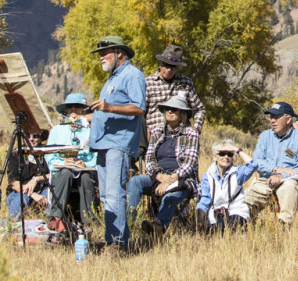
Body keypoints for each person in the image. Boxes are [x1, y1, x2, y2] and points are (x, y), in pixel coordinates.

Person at [88, 36, 146, 249]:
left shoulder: (132, 75)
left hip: (118, 145)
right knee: (105, 196)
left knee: (114, 195)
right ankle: (115, 240)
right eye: (100, 55)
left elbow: (139, 108)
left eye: (105, 53)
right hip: (103, 144)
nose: (101, 58)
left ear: (119, 53)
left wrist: (108, 108)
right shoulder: (113, 78)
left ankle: (118, 244)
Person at [127, 93, 199, 238]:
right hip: (159, 177)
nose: (169, 112)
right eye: (167, 109)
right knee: (136, 181)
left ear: (182, 114)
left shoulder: (191, 134)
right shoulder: (157, 132)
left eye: (174, 109)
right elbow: (149, 159)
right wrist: (159, 176)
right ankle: (127, 223)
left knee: (169, 197)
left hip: (182, 180)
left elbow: (189, 164)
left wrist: (171, 179)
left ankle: (158, 226)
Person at [244, 102, 298, 225]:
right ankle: (243, 225)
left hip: (289, 181)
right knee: (244, 202)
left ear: (288, 119)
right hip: (265, 180)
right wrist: (275, 169)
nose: (272, 121)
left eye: (276, 117)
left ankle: (284, 226)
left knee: (289, 186)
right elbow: (257, 161)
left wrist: (282, 176)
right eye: (271, 117)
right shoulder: (265, 136)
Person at [46, 92, 97, 231]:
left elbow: (97, 156)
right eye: (70, 107)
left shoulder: (91, 131)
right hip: (63, 169)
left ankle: (89, 221)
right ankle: (57, 218)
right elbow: (49, 155)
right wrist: (63, 162)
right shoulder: (56, 130)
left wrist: (86, 164)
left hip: (84, 170)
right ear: (66, 110)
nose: (74, 110)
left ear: (83, 110)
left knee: (86, 178)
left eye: (78, 107)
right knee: (66, 173)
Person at [142, 45, 206, 155]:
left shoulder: (186, 83)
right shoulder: (148, 83)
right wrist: (145, 134)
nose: (168, 70)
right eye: (166, 65)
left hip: (182, 139)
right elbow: (141, 113)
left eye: (173, 67)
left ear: (178, 68)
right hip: (156, 137)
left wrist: (195, 130)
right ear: (161, 64)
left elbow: (199, 109)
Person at [196, 139, 256, 233]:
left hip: (236, 213)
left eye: (230, 154)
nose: (226, 157)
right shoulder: (207, 176)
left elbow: (253, 165)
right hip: (215, 216)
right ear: (214, 157)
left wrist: (236, 149)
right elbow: (204, 200)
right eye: (222, 153)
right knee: (214, 229)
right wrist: (199, 221)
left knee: (228, 225)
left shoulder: (238, 172)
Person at [6, 131, 50, 220]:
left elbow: (54, 174)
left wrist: (36, 179)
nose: (32, 139)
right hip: (21, 191)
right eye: (28, 136)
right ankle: (12, 227)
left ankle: (53, 226)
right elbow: (14, 183)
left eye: (35, 136)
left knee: (51, 198)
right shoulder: (16, 153)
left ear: (41, 137)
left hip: (43, 189)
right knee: (21, 200)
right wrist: (32, 194)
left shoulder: (48, 152)